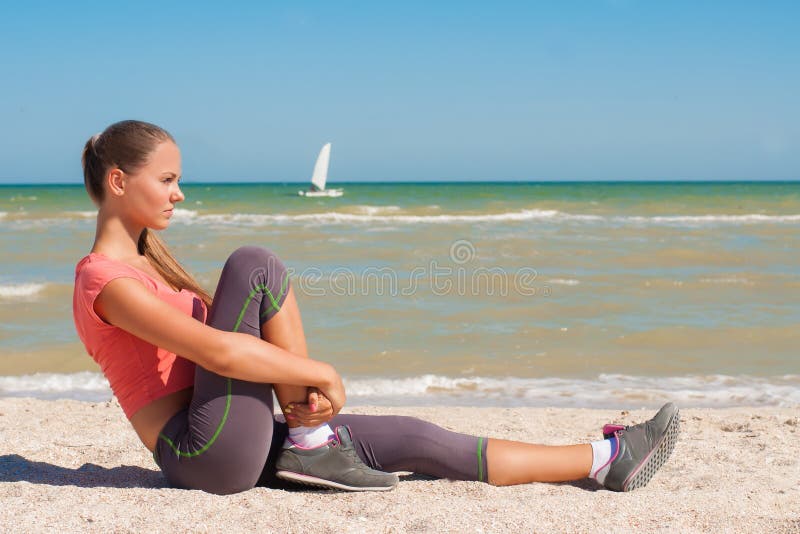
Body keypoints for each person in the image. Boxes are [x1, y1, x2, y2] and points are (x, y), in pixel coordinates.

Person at [72, 120, 680, 495]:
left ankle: (604, 460)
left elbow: (225, 359)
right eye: (169, 179)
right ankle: (311, 440)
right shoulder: (105, 282)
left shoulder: (153, 266)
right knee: (253, 263)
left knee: (419, 437)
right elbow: (217, 350)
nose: (180, 194)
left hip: (238, 433)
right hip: (198, 454)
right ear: (121, 182)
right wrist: (317, 374)